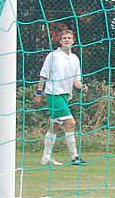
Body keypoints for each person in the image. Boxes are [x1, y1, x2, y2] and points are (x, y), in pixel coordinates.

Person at [34, 24, 87, 166]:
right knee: (71, 123)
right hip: (53, 94)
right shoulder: (53, 56)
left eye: (69, 38)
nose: (67, 40)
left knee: (55, 126)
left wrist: (83, 87)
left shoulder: (75, 58)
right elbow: (43, 75)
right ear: (60, 41)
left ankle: (46, 157)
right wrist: (39, 92)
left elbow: (76, 81)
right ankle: (75, 156)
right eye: (64, 38)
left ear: (73, 41)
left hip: (65, 96)